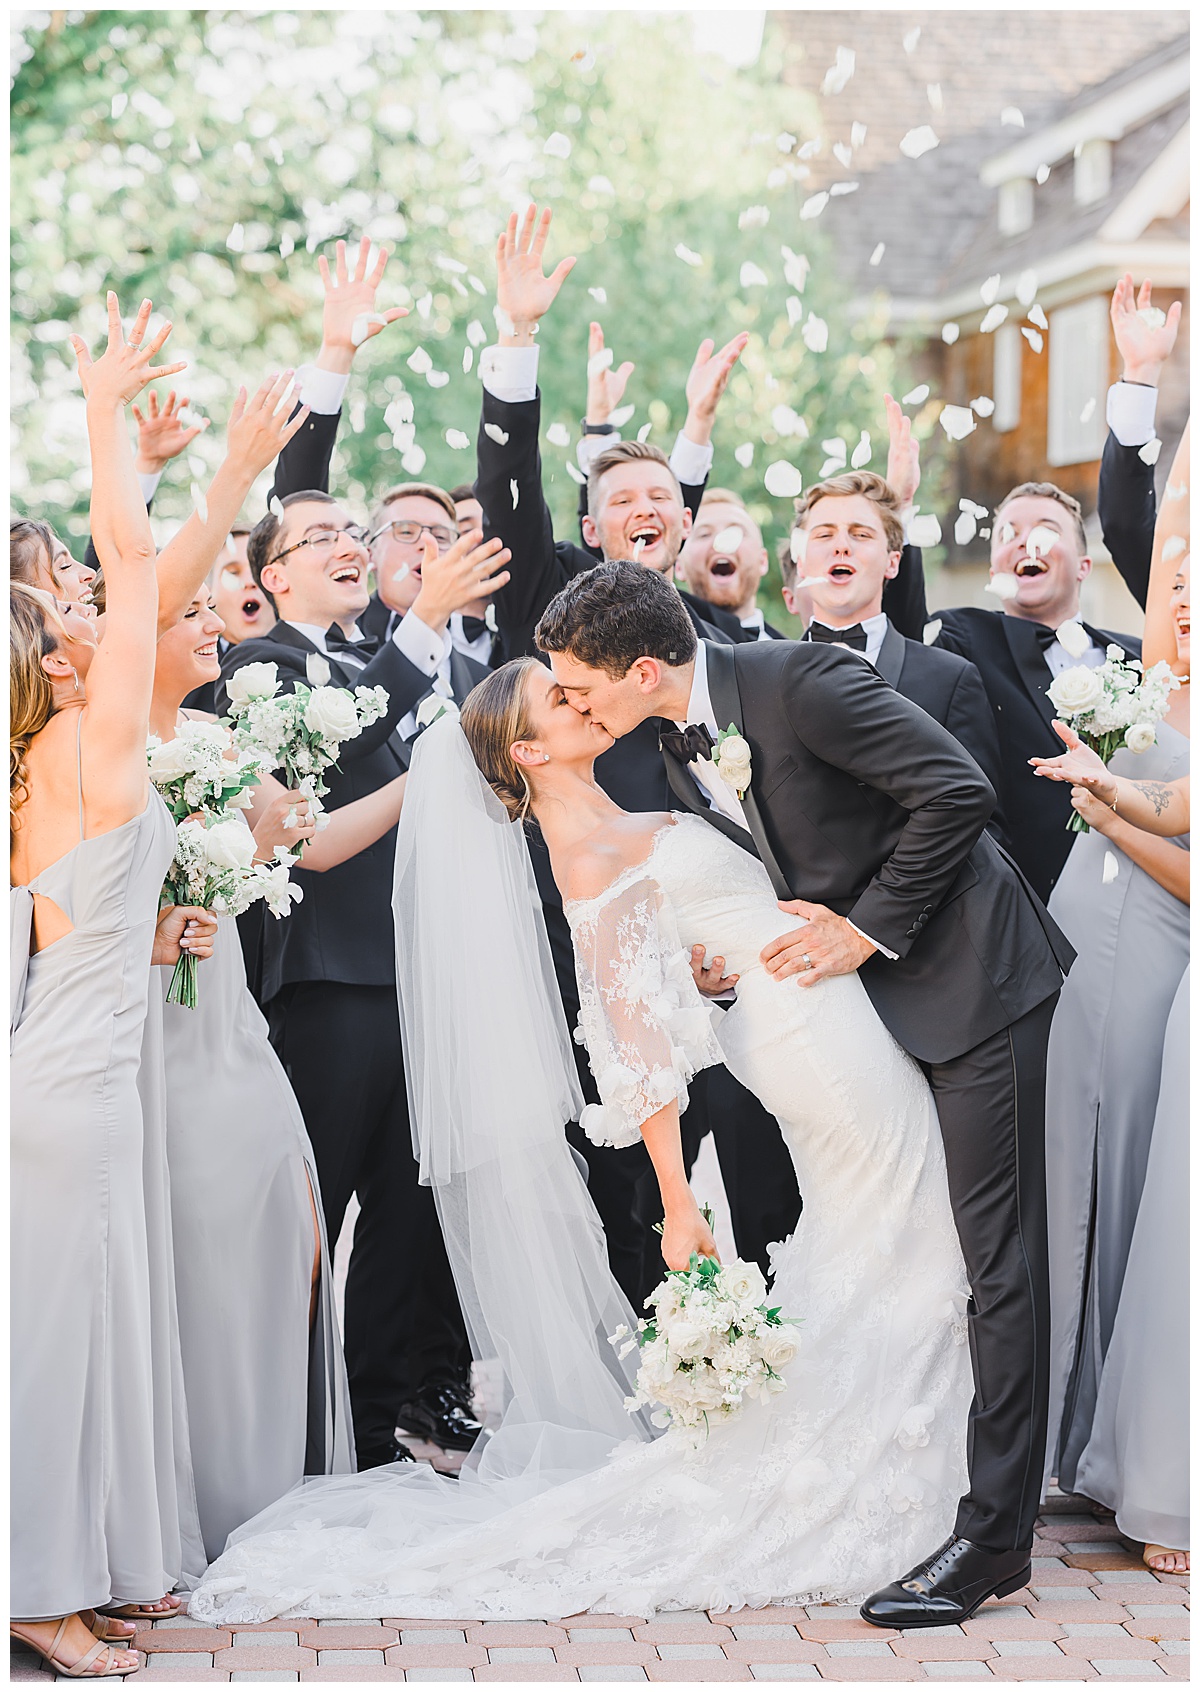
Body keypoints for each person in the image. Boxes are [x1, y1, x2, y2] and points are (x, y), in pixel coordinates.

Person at [189, 648, 977, 1624]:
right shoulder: (591, 855)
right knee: (907, 1240)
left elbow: (694, 957)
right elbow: (634, 1051)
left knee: (892, 1244)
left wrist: (712, 965)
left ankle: (895, 1461)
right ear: (527, 748)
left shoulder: (642, 807)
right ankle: (888, 1480)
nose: (584, 698)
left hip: (806, 1022)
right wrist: (679, 1207)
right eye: (560, 698)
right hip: (818, 1054)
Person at [535, 562, 1074, 1628]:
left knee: (992, 1257)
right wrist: (725, 955)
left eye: (579, 687)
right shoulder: (674, 743)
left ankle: (994, 1539)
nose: (576, 705)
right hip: (864, 1009)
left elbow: (960, 788)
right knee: (933, 1243)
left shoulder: (802, 682)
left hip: (970, 979)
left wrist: (863, 927)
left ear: (643, 669)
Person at [10, 295, 215, 1677]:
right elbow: (140, 563)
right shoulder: (92, 751)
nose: (102, 623)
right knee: (60, 1345)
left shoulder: (38, 771)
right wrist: (101, 429)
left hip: (62, 1079)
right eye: (71, 622)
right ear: (57, 665)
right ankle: (34, 1590)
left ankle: (96, 1562)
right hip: (72, 1094)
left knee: (84, 1327)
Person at [217, 492, 508, 1467]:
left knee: (403, 1215)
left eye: (351, 532)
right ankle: (276, 1439)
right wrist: (422, 626)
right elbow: (329, 769)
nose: (346, 546)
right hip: (324, 984)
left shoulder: (367, 663)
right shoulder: (258, 668)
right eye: (320, 539)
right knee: (314, 1214)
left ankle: (380, 1432)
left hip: (410, 980)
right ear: (271, 576)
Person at [146, 575, 415, 1559]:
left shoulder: (222, 744)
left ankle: (266, 1478)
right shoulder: (90, 747)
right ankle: (172, 1492)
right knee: (178, 1256)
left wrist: (430, 775)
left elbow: (318, 841)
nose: (216, 626)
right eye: (192, 614)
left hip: (231, 1033)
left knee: (286, 1242)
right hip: (147, 1033)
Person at [1030, 418, 1190, 1575]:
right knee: (1063, 1185)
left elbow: (1175, 846)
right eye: (1174, 580)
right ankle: (1062, 1436)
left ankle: (1129, 1449)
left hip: (1164, 963)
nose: (1180, 593)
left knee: (1142, 1198)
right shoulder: (1121, 687)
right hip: (1079, 955)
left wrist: (1108, 809)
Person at [884, 477, 1142, 904]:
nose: (1026, 543)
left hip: (1138, 890)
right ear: (993, 572)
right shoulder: (961, 635)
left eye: (1046, 529)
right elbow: (906, 640)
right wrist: (903, 510)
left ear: (1083, 564)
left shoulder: (1135, 654)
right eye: (1008, 534)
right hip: (1026, 899)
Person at [789, 470, 1007, 821]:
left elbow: (984, 823)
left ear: (893, 561)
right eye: (824, 534)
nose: (841, 545)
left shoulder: (951, 680)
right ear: (800, 560)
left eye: (860, 534)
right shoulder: (759, 676)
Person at [676, 489, 788, 640]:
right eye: (704, 534)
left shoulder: (799, 657)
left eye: (736, 532)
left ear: (763, 561)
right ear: (678, 566)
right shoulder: (661, 646)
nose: (721, 543)